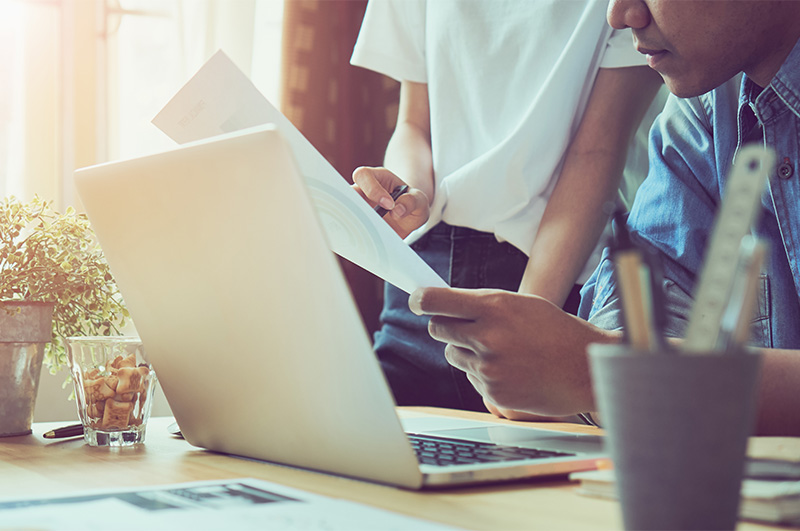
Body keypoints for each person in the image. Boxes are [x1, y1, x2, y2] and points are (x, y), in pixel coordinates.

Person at [408, 0, 800, 436]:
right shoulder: (701, 114)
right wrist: (573, 370)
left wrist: (595, 375)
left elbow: (612, 364)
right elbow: (636, 326)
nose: (619, 14)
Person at [349, 0, 664, 414]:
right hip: (421, 283)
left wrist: (530, 337)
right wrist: (409, 194)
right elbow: (413, 123)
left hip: (548, 284)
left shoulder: (630, 10)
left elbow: (597, 153)